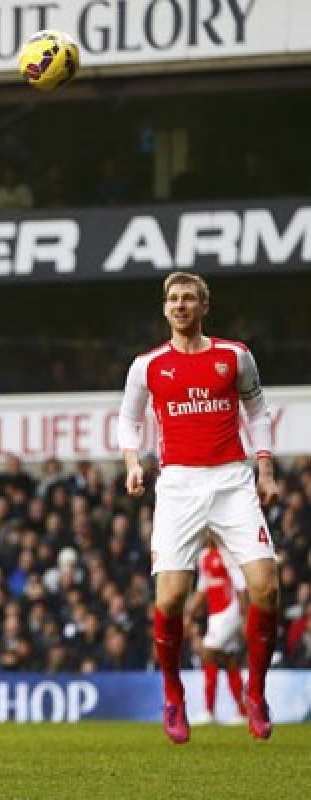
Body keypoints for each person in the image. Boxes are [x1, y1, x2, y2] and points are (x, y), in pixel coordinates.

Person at [118, 271, 279, 744]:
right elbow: (129, 420)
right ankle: (173, 693)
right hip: (179, 485)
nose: (181, 305)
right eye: (173, 299)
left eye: (189, 298)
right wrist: (132, 463)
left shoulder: (234, 356)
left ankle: (257, 691)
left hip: (232, 479)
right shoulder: (147, 365)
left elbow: (258, 411)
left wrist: (265, 469)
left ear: (204, 306)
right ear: (165, 308)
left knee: (266, 589)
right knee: (168, 599)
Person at [191, 541, 248, 723]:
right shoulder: (203, 556)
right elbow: (202, 588)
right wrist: (187, 614)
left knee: (207, 653)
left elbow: (240, 588)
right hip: (214, 615)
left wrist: (245, 618)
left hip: (230, 612)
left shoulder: (228, 554)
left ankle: (209, 712)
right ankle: (244, 712)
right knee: (229, 660)